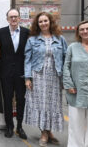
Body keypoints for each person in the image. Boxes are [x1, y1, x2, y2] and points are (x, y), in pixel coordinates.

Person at [24, 12, 67, 147]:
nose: (43, 23)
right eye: (40, 21)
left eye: (45, 21)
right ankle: (44, 132)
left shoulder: (60, 39)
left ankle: (49, 131)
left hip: (55, 76)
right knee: (40, 104)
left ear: (50, 22)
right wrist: (27, 78)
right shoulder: (32, 40)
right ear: (37, 24)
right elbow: (27, 60)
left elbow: (66, 59)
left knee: (52, 104)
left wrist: (65, 79)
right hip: (38, 76)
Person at [0, 9, 29, 139]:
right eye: (11, 17)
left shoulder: (27, 32)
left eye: (16, 17)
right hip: (5, 73)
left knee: (21, 100)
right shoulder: (1, 32)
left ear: (19, 18)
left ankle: (20, 126)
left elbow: (28, 54)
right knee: (8, 100)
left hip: (21, 73)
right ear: (7, 19)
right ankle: (9, 126)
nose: (14, 19)